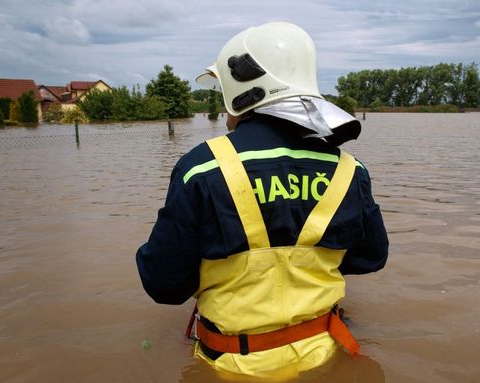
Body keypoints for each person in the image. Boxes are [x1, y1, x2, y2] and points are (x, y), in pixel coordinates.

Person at [136, 21, 388, 378]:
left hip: (230, 367)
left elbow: (163, 283)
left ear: (243, 90)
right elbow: (371, 258)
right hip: (325, 358)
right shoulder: (351, 170)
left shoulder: (200, 167)